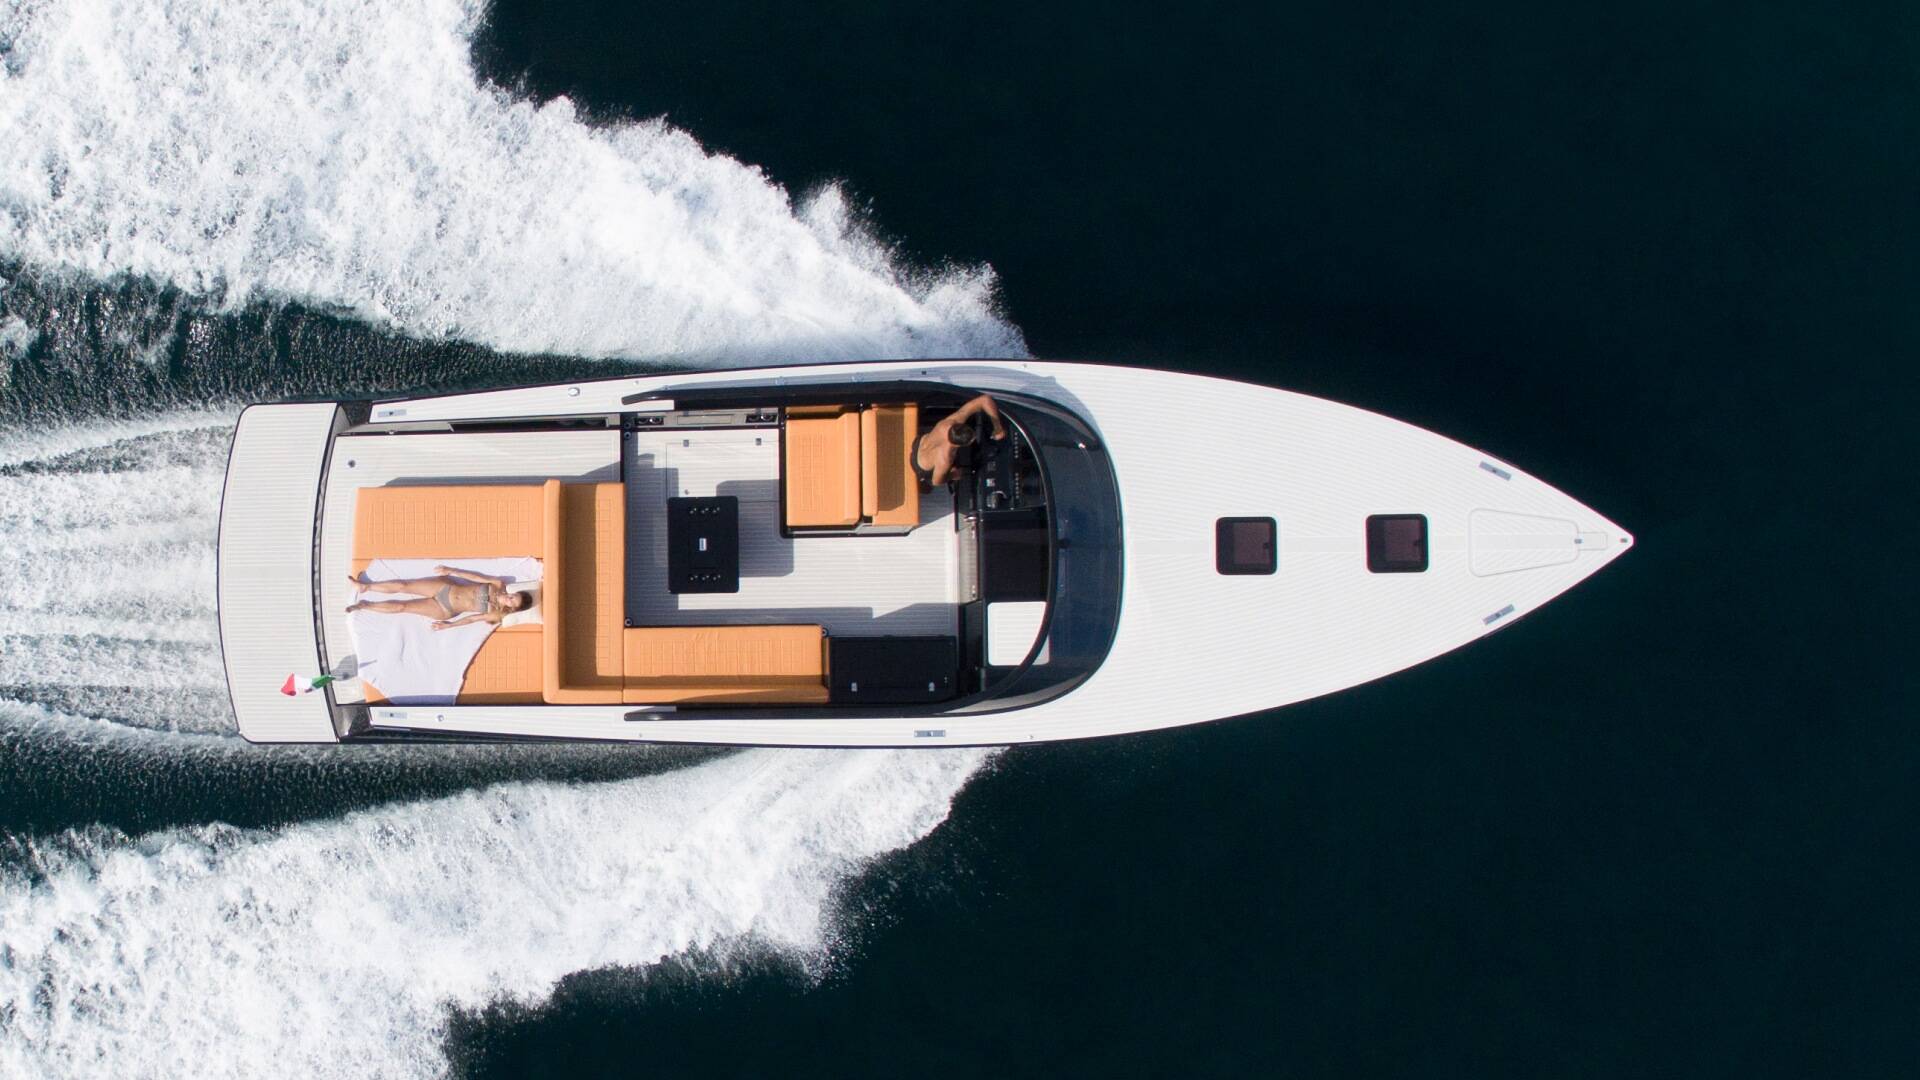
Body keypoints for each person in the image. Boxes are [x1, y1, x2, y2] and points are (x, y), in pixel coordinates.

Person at [346, 565, 531, 630]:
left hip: (445, 609)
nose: (510, 598)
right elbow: (474, 577)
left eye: (512, 601)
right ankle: (365, 587)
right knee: (404, 585)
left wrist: (449, 625)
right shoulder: (497, 584)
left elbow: (472, 619)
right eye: (513, 595)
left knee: (403, 607)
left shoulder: (495, 614)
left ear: (511, 608)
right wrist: (451, 570)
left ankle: (365, 606)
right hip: (446, 588)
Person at [912, 393, 1006, 487]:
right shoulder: (945, 458)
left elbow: (984, 399)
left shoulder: (950, 423)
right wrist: (953, 475)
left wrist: (997, 426)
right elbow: (936, 481)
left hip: (920, 443)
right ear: (959, 445)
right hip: (921, 466)